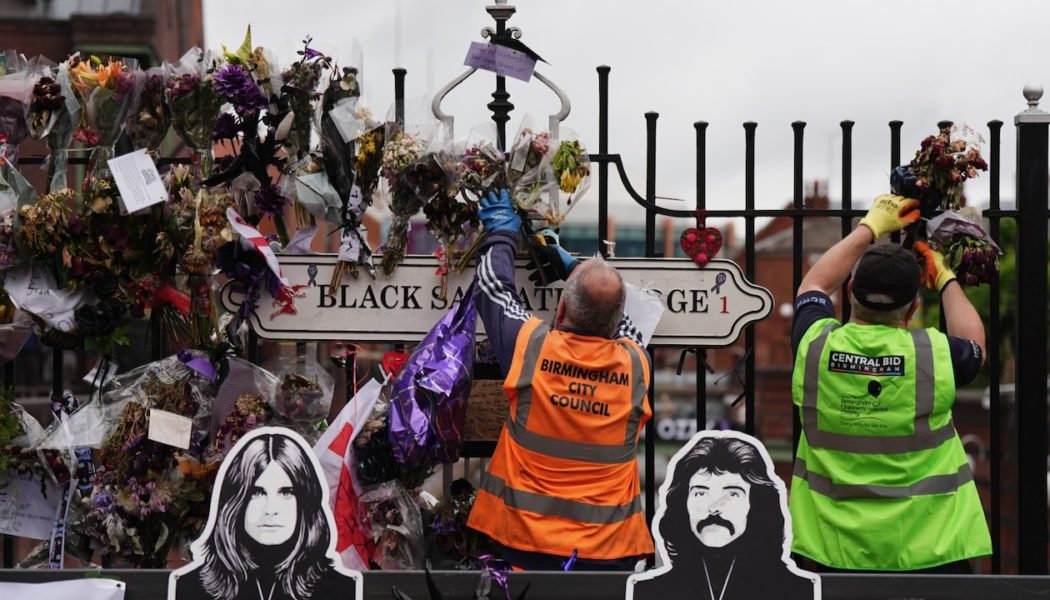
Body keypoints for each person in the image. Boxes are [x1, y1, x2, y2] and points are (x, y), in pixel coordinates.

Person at [789, 194, 993, 572]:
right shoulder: (934, 353)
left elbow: (814, 285)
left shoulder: (815, 346)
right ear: (913, 307)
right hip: (933, 550)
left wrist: (870, 227)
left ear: (850, 293)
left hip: (830, 550)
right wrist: (944, 275)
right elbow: (976, 345)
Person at [465, 189, 655, 571]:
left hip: (521, 545)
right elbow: (633, 314)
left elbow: (491, 288)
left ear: (562, 307)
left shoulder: (533, 345)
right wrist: (574, 268)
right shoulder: (636, 363)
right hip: (610, 555)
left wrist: (502, 232)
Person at [171, 429, 360, 600]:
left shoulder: (340, 589)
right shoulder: (190, 588)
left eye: (286, 492)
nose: (270, 509)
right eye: (257, 492)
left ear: (306, 502)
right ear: (234, 502)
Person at [630, 434, 817, 600]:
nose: (714, 508)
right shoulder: (649, 592)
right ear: (682, 502)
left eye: (732, 494)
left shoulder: (796, 590)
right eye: (701, 493)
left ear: (757, 504)